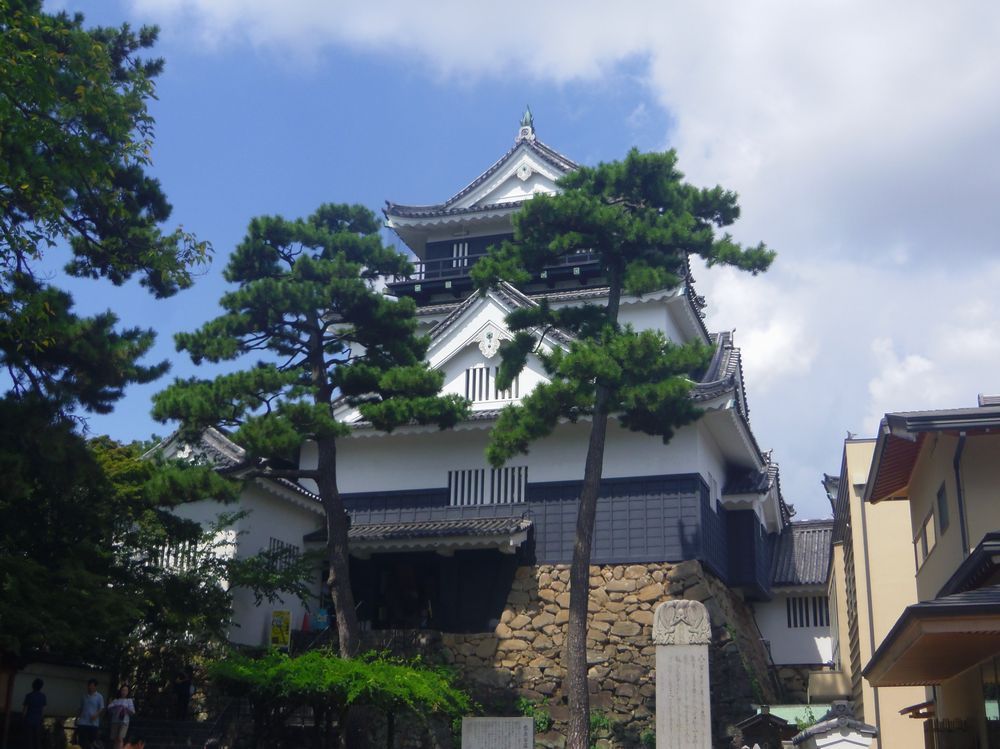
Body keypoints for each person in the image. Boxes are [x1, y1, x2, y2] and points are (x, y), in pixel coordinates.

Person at [76, 678, 104, 749]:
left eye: (92, 686)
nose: (90, 687)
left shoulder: (99, 697)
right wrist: (77, 718)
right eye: (89, 685)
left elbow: (101, 708)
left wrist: (96, 714)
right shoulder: (84, 696)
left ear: (95, 687)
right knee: (82, 741)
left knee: (92, 741)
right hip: (83, 722)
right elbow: (80, 708)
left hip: (93, 723)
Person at [21, 678, 46, 749]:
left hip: (29, 719)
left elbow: (25, 709)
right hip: (38, 720)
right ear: (41, 687)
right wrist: (42, 719)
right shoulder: (43, 696)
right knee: (37, 740)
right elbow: (43, 710)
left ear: (33, 686)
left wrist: (22, 718)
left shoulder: (29, 696)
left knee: (29, 740)